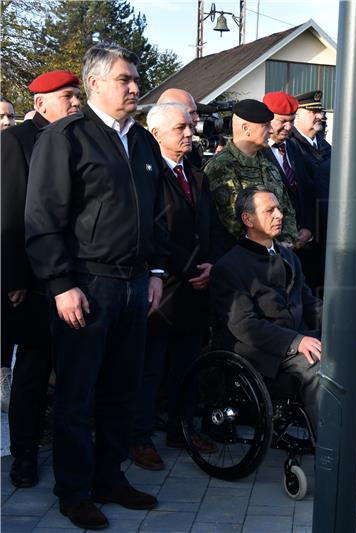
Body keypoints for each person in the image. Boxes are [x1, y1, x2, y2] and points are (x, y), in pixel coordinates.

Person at [24, 43, 167, 529]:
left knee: (121, 391)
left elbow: (156, 214)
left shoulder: (143, 142)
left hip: (134, 284)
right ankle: (74, 491)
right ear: (95, 85)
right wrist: (61, 283)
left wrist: (156, 272)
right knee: (77, 394)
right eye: (124, 79)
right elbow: (42, 217)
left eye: (135, 78)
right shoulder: (68, 137)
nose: (134, 87)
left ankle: (110, 477)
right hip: (87, 284)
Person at [209, 186, 356, 479]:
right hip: (261, 352)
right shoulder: (230, 266)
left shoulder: (287, 255)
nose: (279, 214)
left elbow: (311, 304)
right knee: (318, 365)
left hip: (298, 339)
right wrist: (295, 341)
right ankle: (332, 453)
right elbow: (243, 325)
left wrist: (346, 331)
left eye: (278, 208)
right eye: (269, 210)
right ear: (248, 219)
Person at [128, 102, 227, 471]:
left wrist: (211, 264)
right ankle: (138, 437)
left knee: (188, 365)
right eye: (180, 128)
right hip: (164, 287)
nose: (189, 133)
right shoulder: (148, 174)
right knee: (150, 367)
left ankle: (180, 427)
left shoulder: (197, 175)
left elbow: (212, 227)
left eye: (190, 127)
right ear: (156, 134)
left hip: (196, 288)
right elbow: (155, 229)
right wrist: (188, 267)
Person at [1, 70, 81, 488]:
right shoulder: (15, 142)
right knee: (33, 370)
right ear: (39, 103)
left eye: (76, 95)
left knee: (72, 368)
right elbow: (11, 214)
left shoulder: (78, 137)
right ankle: (25, 454)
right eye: (66, 96)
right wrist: (14, 277)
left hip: (76, 274)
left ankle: (65, 446)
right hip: (32, 282)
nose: (74, 103)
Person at [205, 99, 298, 247]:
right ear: (246, 128)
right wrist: (271, 247)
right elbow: (234, 222)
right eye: (265, 125)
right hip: (243, 258)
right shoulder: (222, 167)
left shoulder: (268, 165)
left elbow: (286, 210)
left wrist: (288, 242)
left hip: (277, 255)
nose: (271, 130)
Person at [262, 92, 320, 291]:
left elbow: (309, 193)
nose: (288, 127)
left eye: (291, 121)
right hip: (273, 250)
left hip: (303, 247)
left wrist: (309, 229)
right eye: (282, 121)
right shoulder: (257, 153)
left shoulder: (296, 149)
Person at [156, 88, 203, 168]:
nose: (197, 118)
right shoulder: (147, 160)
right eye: (191, 113)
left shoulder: (191, 152)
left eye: (196, 112)